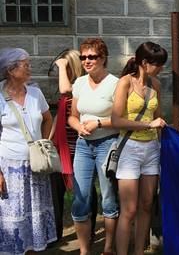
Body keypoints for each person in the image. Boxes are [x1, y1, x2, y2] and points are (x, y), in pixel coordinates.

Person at [111, 42, 167, 255]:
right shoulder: (125, 82)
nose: (161, 68)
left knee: (146, 205)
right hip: (130, 148)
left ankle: (139, 252)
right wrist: (147, 125)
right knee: (130, 209)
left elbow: (158, 117)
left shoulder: (156, 85)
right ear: (144, 62)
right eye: (158, 64)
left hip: (151, 149)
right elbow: (116, 120)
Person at [0, 48, 56, 254]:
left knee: (34, 218)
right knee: (12, 220)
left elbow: (48, 118)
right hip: (9, 168)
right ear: (11, 69)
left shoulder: (35, 93)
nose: (30, 68)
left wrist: (42, 144)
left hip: (35, 166)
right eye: (26, 64)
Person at [68, 38, 119, 255]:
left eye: (92, 56)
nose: (87, 61)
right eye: (84, 57)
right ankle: (84, 250)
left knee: (108, 196)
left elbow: (120, 118)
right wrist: (78, 126)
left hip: (107, 143)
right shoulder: (79, 83)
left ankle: (108, 248)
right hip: (83, 145)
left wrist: (98, 122)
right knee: (80, 197)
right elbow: (72, 116)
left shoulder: (115, 83)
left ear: (103, 58)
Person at [48, 49, 98, 243]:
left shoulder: (82, 88)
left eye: (65, 68)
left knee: (84, 193)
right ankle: (55, 234)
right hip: (60, 149)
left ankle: (89, 231)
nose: (61, 72)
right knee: (56, 194)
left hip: (80, 149)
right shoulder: (69, 92)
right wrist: (49, 140)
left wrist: (61, 65)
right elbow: (59, 117)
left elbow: (65, 90)